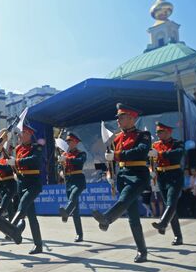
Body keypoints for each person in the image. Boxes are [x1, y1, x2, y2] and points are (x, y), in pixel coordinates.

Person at [92, 103, 151, 263]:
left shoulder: (143, 135)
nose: (118, 120)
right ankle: (142, 251)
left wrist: (117, 155)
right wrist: (110, 170)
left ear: (132, 118)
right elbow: (112, 159)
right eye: (118, 117)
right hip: (123, 176)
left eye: (121, 117)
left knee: (124, 199)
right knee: (132, 216)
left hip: (138, 175)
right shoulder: (117, 137)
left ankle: (107, 219)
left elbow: (140, 151)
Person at [4, 122, 44, 254]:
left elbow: (34, 160)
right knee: (32, 216)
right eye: (20, 133)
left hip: (33, 184)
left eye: (23, 133)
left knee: (22, 206)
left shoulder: (36, 147)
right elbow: (16, 166)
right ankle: (38, 245)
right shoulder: (18, 149)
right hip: (22, 184)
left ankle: (11, 229)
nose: (20, 135)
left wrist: (16, 161)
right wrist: (13, 167)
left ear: (29, 134)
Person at [149, 122, 184, 246]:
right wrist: (151, 170)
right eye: (157, 132)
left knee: (171, 203)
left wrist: (160, 154)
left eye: (161, 131)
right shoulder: (155, 145)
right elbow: (151, 160)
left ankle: (163, 223)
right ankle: (178, 236)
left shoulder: (177, 143)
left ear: (169, 132)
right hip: (161, 177)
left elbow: (178, 154)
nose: (158, 134)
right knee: (170, 206)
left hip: (174, 174)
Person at [58, 132, 87, 242]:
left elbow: (80, 161)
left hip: (78, 180)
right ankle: (79, 234)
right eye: (67, 141)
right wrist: (60, 171)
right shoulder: (64, 154)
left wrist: (67, 159)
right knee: (76, 211)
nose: (68, 143)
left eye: (70, 141)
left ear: (76, 142)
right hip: (69, 181)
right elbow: (60, 167)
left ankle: (66, 211)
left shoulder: (81, 153)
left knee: (73, 197)